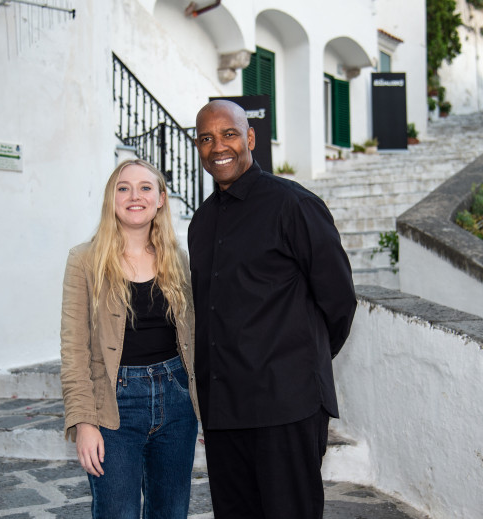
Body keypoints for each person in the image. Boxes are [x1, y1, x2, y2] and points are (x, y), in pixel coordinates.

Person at [188, 100, 357, 519]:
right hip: (224, 412)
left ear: (249, 138)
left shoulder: (293, 205)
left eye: (228, 134)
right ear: (198, 147)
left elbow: (338, 302)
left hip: (286, 406)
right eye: (206, 138)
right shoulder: (201, 222)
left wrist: (297, 363)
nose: (218, 146)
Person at [60, 159, 199, 519]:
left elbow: (195, 339)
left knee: (170, 512)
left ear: (161, 199)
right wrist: (84, 422)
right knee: (116, 512)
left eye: (145, 187)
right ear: (111, 199)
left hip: (177, 401)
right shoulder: (84, 260)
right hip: (113, 405)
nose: (134, 196)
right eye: (123, 188)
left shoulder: (180, 261)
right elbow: (73, 351)